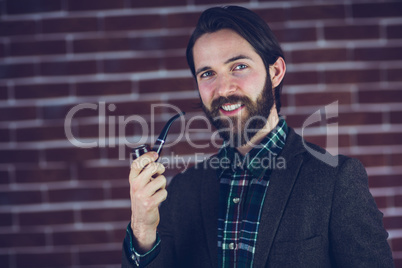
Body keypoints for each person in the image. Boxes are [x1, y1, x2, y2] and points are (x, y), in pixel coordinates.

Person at [122, 6, 394, 268]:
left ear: (275, 72)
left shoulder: (336, 180)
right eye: (207, 74)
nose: (223, 89)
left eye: (239, 66)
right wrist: (143, 229)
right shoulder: (181, 191)